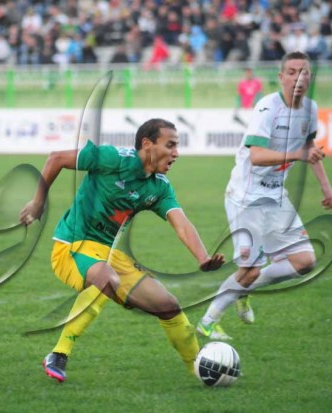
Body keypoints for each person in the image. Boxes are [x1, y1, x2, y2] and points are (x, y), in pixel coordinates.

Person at [20, 118, 225, 382]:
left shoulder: (159, 187)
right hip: (72, 247)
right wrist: (38, 202)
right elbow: (56, 158)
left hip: (107, 256)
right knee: (106, 277)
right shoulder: (112, 159)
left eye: (177, 146)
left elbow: (181, 223)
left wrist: (203, 257)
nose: (176, 153)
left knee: (168, 306)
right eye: (170, 145)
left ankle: (200, 368)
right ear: (147, 144)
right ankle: (59, 354)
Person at [197, 52, 332, 340]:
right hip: (247, 197)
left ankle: (244, 289)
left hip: (275, 196)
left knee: (304, 261)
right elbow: (257, 156)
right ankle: (207, 322)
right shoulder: (267, 108)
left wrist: (326, 188)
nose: (298, 78)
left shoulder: (310, 109)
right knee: (249, 270)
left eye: (304, 72)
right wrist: (298, 154)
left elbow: (309, 148)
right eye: (292, 72)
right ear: (281, 77)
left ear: (310, 77)